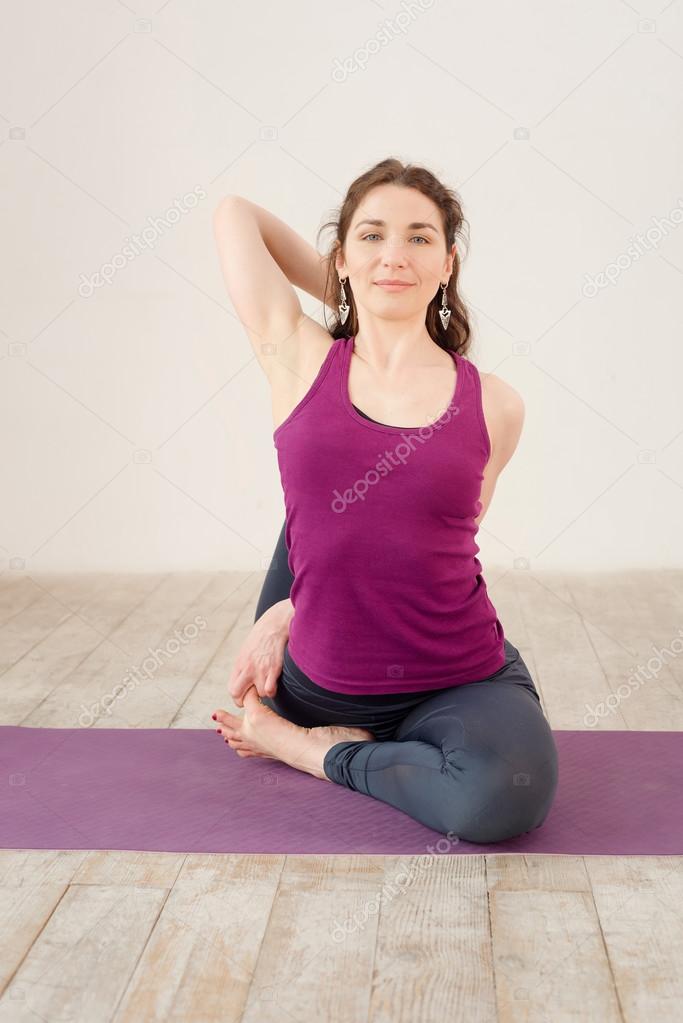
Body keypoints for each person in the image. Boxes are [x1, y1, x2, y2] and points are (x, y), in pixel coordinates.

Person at [210, 158, 558, 842]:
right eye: (371, 236)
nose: (395, 253)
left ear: (449, 262)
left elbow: (427, 546)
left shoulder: (495, 403)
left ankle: (308, 748)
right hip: (318, 681)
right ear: (339, 254)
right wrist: (359, 284)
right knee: (326, 506)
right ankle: (359, 742)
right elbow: (234, 216)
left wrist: (374, 272)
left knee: (503, 800)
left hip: (457, 678)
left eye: (419, 240)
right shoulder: (298, 357)